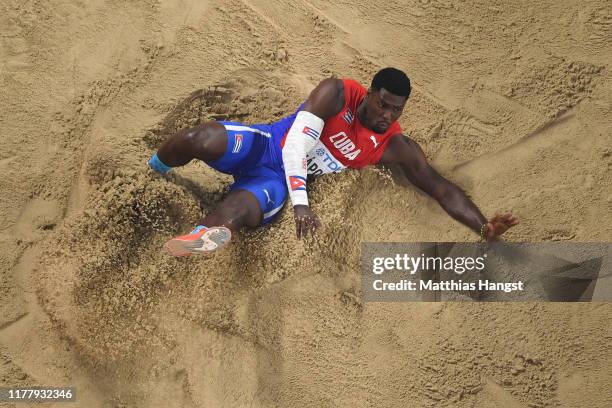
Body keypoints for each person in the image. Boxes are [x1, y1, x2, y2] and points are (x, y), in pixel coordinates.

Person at [148, 68, 518, 256]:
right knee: (199, 138)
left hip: (274, 184)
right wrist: (303, 206)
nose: (387, 115)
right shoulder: (337, 93)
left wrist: (483, 226)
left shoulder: (394, 146)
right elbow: (294, 147)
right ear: (369, 93)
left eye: (396, 110)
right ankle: (152, 172)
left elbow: (440, 188)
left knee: (235, 212)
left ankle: (190, 241)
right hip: (267, 146)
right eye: (382, 104)